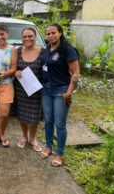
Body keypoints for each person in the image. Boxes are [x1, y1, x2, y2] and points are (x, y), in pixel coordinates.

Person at [40, 23, 80, 166]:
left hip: (61, 90)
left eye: (53, 33)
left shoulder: (67, 50)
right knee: (48, 120)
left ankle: (59, 154)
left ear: (60, 33)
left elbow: (76, 74)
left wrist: (69, 92)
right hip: (46, 90)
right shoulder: (46, 50)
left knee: (60, 123)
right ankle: (48, 146)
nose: (50, 36)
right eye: (48, 33)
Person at [14, 27, 44, 152]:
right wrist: (16, 72)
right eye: (24, 36)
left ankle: (33, 138)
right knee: (22, 114)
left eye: (30, 36)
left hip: (37, 90)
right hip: (21, 89)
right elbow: (13, 67)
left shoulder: (43, 51)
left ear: (35, 36)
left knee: (34, 116)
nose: (27, 39)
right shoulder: (18, 51)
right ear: (21, 38)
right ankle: (24, 136)